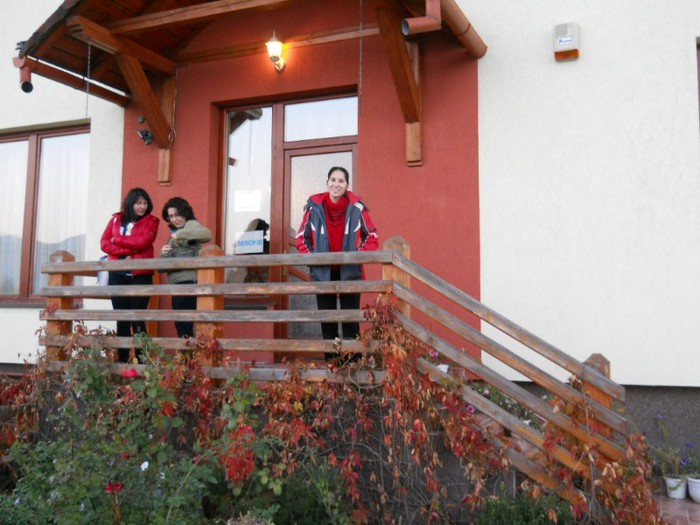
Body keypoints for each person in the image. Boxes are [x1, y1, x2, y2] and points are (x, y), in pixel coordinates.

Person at [296, 166, 379, 361]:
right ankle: (332, 364)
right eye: (333, 180)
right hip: (323, 274)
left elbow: (372, 236)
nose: (336, 184)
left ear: (347, 185)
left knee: (350, 321)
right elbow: (301, 238)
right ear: (327, 183)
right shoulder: (314, 208)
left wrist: (356, 257)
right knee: (328, 322)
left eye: (341, 181)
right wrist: (315, 260)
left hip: (350, 272)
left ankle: (353, 366)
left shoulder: (357, 208)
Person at [100, 187, 159, 363]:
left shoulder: (151, 221)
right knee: (122, 319)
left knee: (137, 319)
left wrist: (117, 240)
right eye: (138, 203)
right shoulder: (116, 220)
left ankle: (142, 362)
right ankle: (123, 361)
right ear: (130, 203)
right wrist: (125, 250)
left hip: (140, 276)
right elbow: (104, 243)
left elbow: (143, 242)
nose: (142, 206)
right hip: (117, 275)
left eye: (145, 203)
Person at [160, 197, 212, 338]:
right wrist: (163, 253)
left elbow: (207, 234)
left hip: (188, 283)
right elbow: (162, 267)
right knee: (182, 326)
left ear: (185, 213)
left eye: (177, 215)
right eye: (171, 216)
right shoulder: (172, 236)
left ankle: (189, 352)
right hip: (177, 286)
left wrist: (180, 235)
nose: (174, 219)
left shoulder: (190, 225)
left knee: (184, 327)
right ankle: (188, 352)